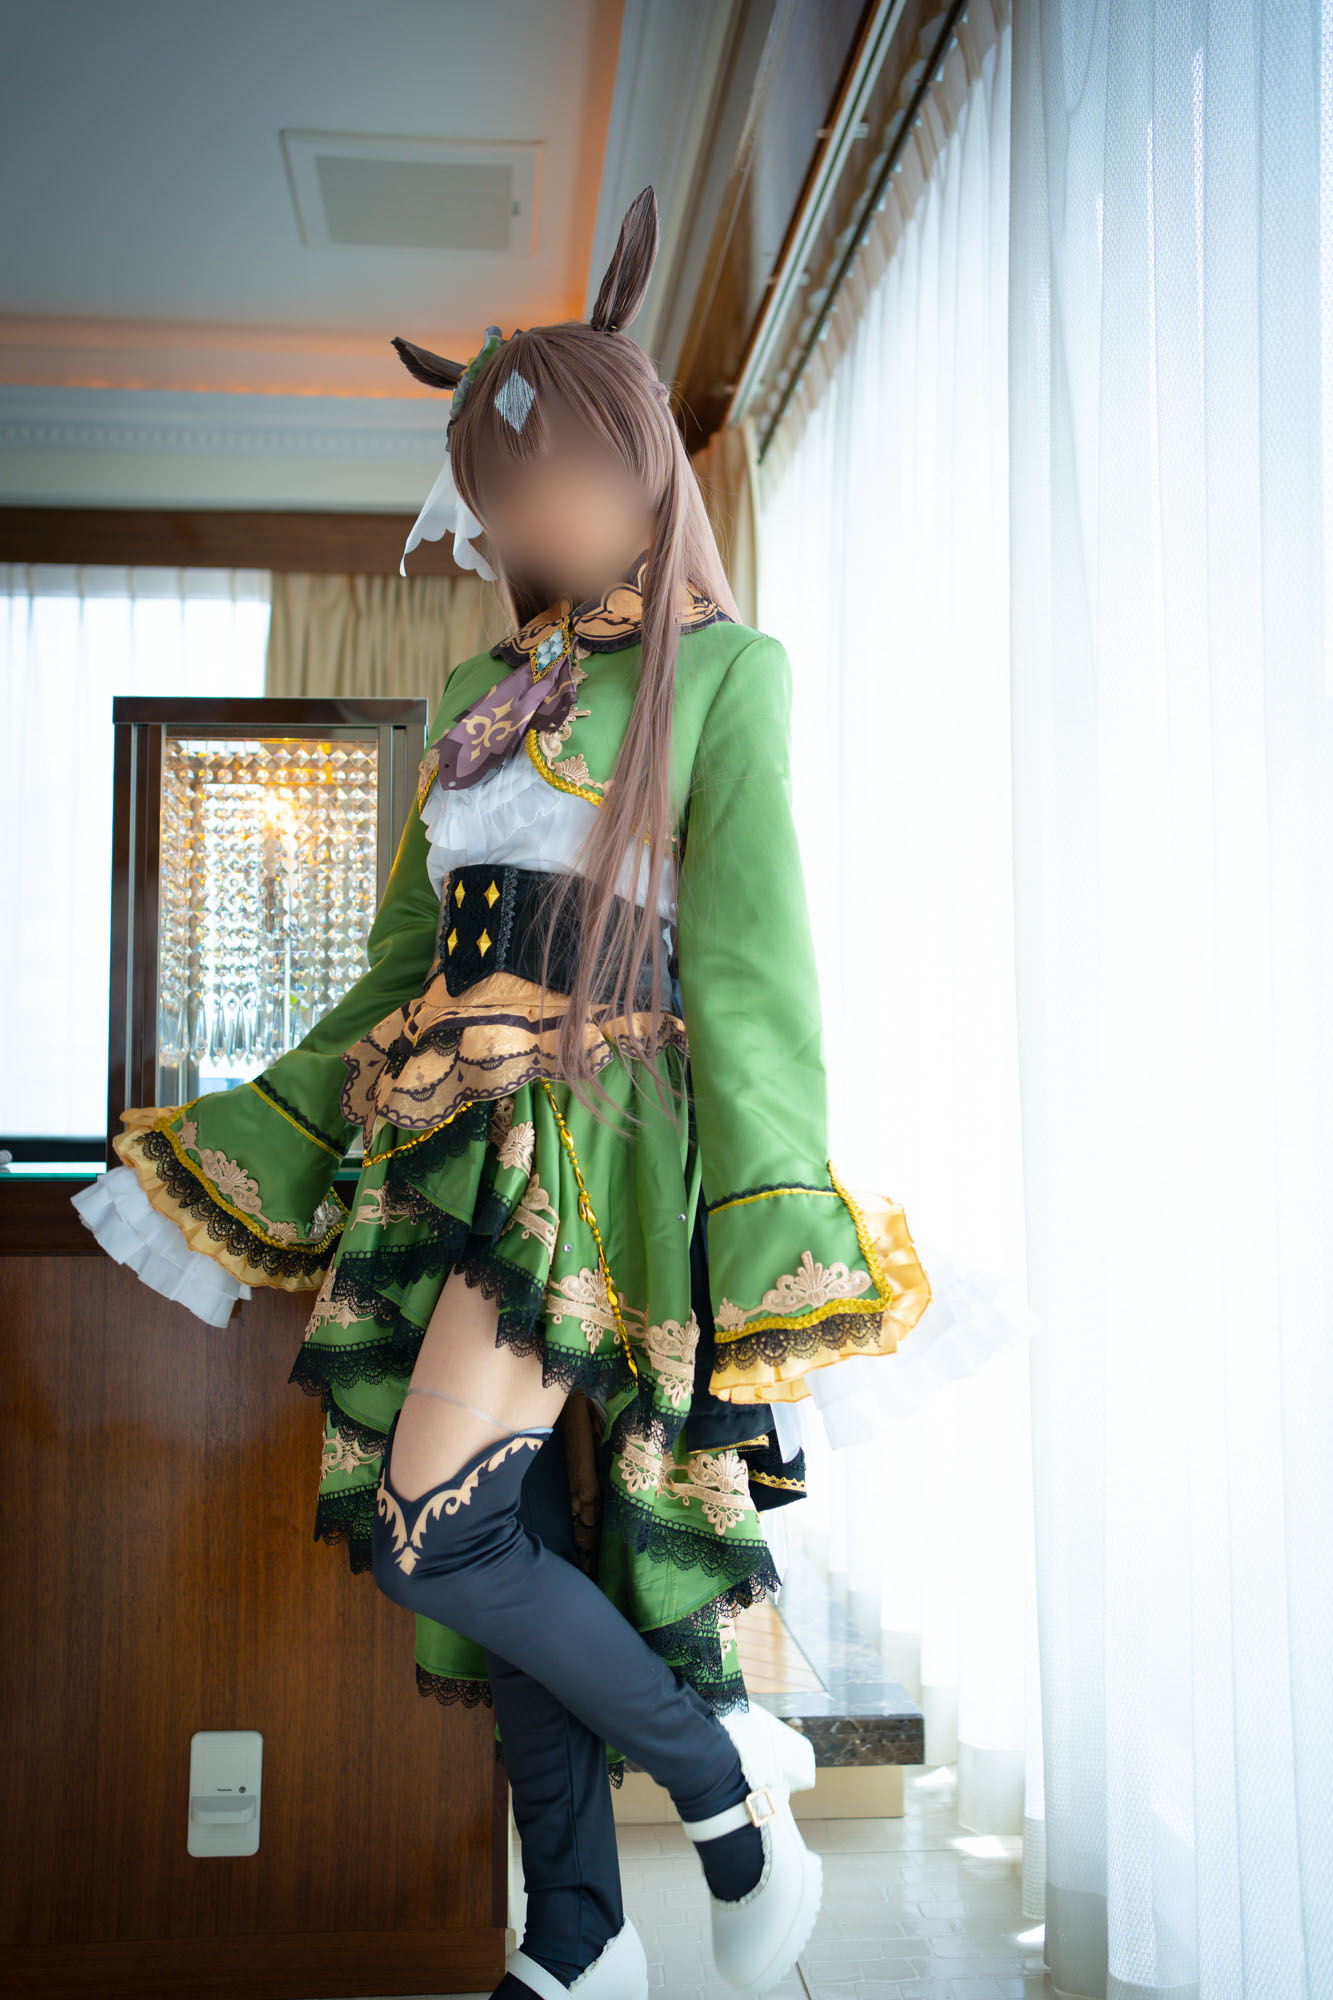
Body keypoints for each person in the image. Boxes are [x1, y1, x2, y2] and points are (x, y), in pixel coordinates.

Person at [71, 186, 945, 2000]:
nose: (515, 517)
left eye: (543, 475)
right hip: (442, 1147)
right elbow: (403, 961)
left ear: (640, 466)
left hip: (594, 1152)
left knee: (437, 1533)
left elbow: (754, 983)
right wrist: (257, 1128)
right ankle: (574, 1937)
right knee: (514, 1541)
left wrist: (765, 1232)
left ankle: (725, 1789)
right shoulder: (482, 686)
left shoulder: (728, 677)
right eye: (493, 486)